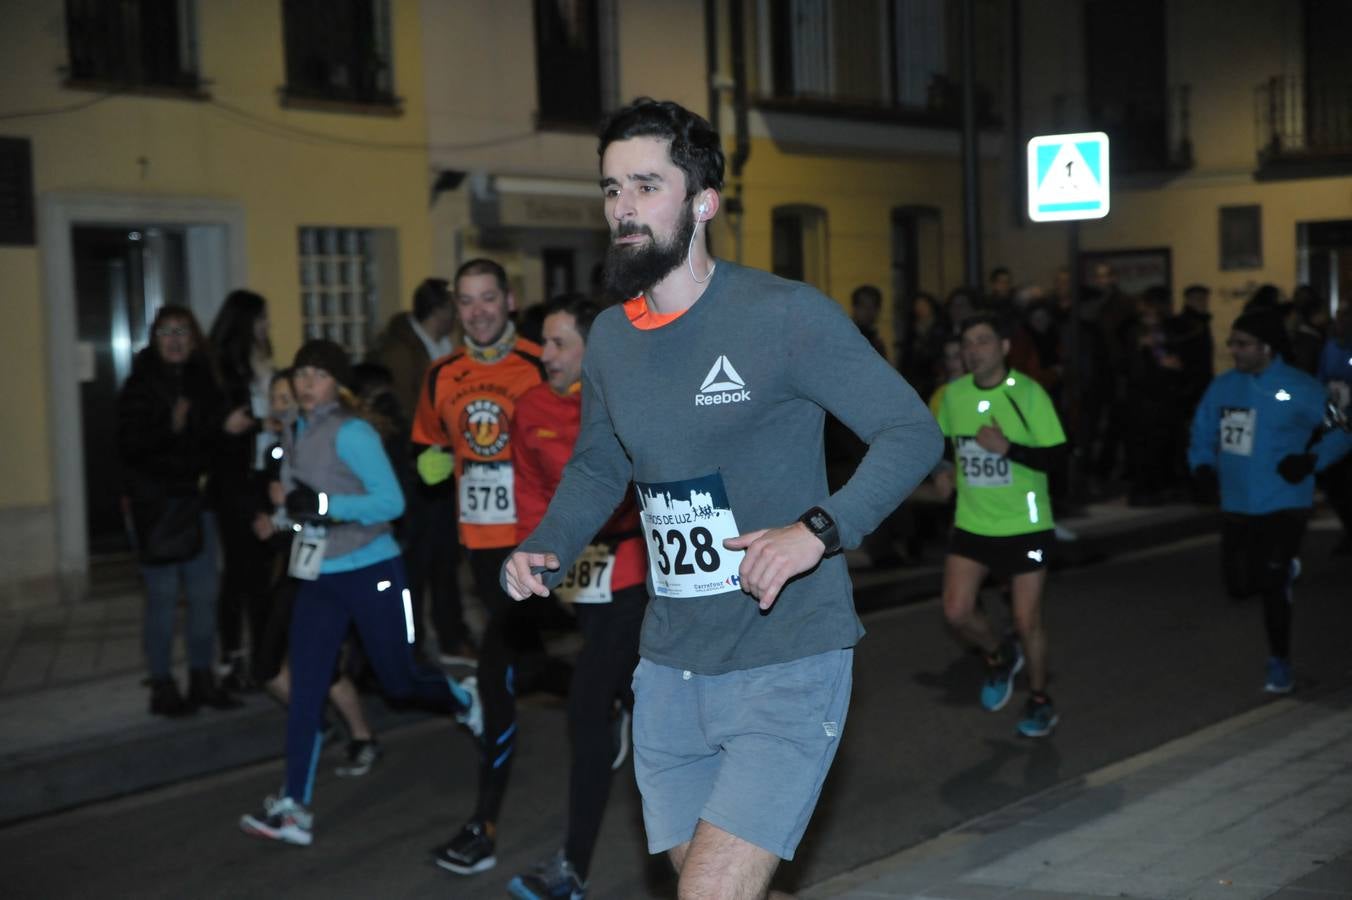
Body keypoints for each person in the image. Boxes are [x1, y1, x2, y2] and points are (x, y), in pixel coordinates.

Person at [502, 98, 942, 900]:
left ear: (703, 202)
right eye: (611, 189)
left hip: (787, 656)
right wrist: (548, 544)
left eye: (646, 185)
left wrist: (818, 530)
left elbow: (911, 433)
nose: (623, 207)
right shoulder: (611, 339)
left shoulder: (783, 316)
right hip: (671, 669)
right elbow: (600, 464)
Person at [239, 340, 480, 847]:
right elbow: (304, 506)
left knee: (399, 679)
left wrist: (326, 504)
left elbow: (390, 502)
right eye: (301, 373)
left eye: (319, 375)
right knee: (307, 688)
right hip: (318, 577)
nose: (307, 383)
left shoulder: (352, 432)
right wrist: (281, 517)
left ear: (337, 384)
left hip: (372, 570)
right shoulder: (294, 429)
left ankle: (463, 699)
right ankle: (294, 808)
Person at [505, 294, 649, 900]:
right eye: (543, 341)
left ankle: (572, 869)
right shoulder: (531, 407)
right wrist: (536, 557)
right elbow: (530, 491)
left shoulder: (626, 402)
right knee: (631, 697)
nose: (545, 354)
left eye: (560, 342)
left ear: (595, 350)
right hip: (577, 578)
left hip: (634, 573)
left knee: (586, 708)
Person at [412, 258, 548, 875]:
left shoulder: (541, 363)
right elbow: (429, 444)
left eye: (488, 298)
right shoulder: (442, 374)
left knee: (496, 675)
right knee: (527, 660)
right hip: (481, 546)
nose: (478, 312)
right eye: (466, 302)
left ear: (509, 300)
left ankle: (483, 826)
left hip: (540, 541)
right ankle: (614, 693)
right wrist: (431, 464)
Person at [1187, 310, 1352, 694]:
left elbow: (1343, 429)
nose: (1234, 350)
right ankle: (1283, 568)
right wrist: (1202, 466)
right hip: (1237, 502)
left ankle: (1280, 663)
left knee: (1273, 585)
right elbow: (1202, 431)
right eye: (1232, 343)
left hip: (1284, 500)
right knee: (1240, 585)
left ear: (1266, 347)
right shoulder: (1224, 387)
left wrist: (1310, 460)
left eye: (1242, 344)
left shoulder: (1299, 387)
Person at [933, 313, 1068, 738]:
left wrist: (1008, 448)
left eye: (983, 341)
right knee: (956, 612)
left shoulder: (1028, 394)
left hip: (1026, 524)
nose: (974, 350)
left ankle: (1040, 700)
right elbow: (945, 447)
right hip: (973, 521)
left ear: (1004, 347)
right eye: (967, 343)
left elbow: (1059, 459)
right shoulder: (953, 396)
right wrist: (943, 471)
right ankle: (999, 655)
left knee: (1027, 621)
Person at [249, 369, 384, 777]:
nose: (281, 406)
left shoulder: (323, 444)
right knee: (267, 664)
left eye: (287, 398)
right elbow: (272, 509)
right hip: (292, 564)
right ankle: (320, 725)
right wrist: (270, 519)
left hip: (325, 562)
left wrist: (292, 508)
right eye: (275, 399)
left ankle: (361, 736)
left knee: (321, 662)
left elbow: (337, 503)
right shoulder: (275, 448)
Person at [118, 305, 248, 716]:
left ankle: (202, 678)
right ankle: (162, 685)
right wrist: (171, 427)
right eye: (166, 332)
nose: (174, 340)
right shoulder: (139, 385)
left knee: (204, 595)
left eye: (182, 332)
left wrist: (227, 429)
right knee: (162, 598)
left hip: (199, 503)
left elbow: (213, 444)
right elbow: (131, 448)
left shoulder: (206, 381)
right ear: (154, 339)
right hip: (157, 507)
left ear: (194, 340)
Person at [368, 278, 474, 664]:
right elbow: (404, 415)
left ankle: (450, 633)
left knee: (444, 558)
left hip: (443, 466)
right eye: (455, 306)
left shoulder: (443, 347)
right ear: (440, 311)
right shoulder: (402, 352)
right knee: (418, 562)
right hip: (415, 472)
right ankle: (413, 644)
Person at [206, 289, 273, 691]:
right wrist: (258, 423)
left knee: (260, 573)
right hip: (235, 482)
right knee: (240, 573)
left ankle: (262, 656)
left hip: (265, 476)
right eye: (262, 319)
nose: (267, 326)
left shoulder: (262, 363)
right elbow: (223, 427)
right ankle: (233, 657)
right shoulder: (222, 369)